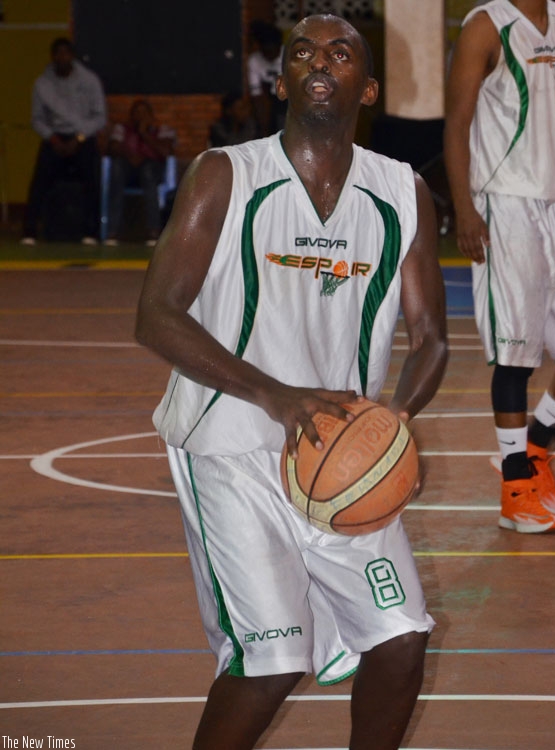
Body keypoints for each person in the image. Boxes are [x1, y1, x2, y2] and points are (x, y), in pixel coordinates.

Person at [136, 13, 448, 749]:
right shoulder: (227, 174)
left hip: (337, 458)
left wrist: (395, 420)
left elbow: (431, 336)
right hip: (232, 446)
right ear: (279, 82)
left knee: (401, 640)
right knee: (272, 660)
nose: (318, 61)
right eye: (301, 51)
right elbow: (156, 317)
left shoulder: (403, 194)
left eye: (340, 54)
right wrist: (276, 395)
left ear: (367, 87)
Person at [444, 0, 555, 534]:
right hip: (509, 203)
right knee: (515, 356)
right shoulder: (487, 25)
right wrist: (465, 207)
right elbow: (458, 120)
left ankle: (535, 446)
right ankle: (516, 488)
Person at [21, 37, 106, 245]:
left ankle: (91, 232)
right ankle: (30, 231)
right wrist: (53, 138)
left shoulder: (89, 80)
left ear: (72, 56)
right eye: (58, 54)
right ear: (52, 57)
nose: (62, 58)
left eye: (66, 53)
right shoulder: (42, 84)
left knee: (91, 181)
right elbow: (37, 119)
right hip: (55, 137)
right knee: (39, 182)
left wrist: (79, 138)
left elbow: (100, 117)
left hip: (82, 137)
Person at [104, 99, 177, 246]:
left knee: (147, 171)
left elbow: (165, 151)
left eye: (144, 113)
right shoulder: (122, 129)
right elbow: (112, 148)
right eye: (137, 113)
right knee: (117, 168)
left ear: (151, 115)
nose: (140, 116)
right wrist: (130, 155)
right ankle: (112, 231)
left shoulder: (163, 130)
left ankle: (154, 231)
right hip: (127, 173)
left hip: (153, 174)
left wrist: (144, 134)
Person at [247, 19, 286, 137]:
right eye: (266, 52)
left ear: (280, 46)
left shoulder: (290, 55)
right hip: (272, 99)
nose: (270, 56)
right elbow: (256, 96)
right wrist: (263, 125)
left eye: (273, 51)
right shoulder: (254, 61)